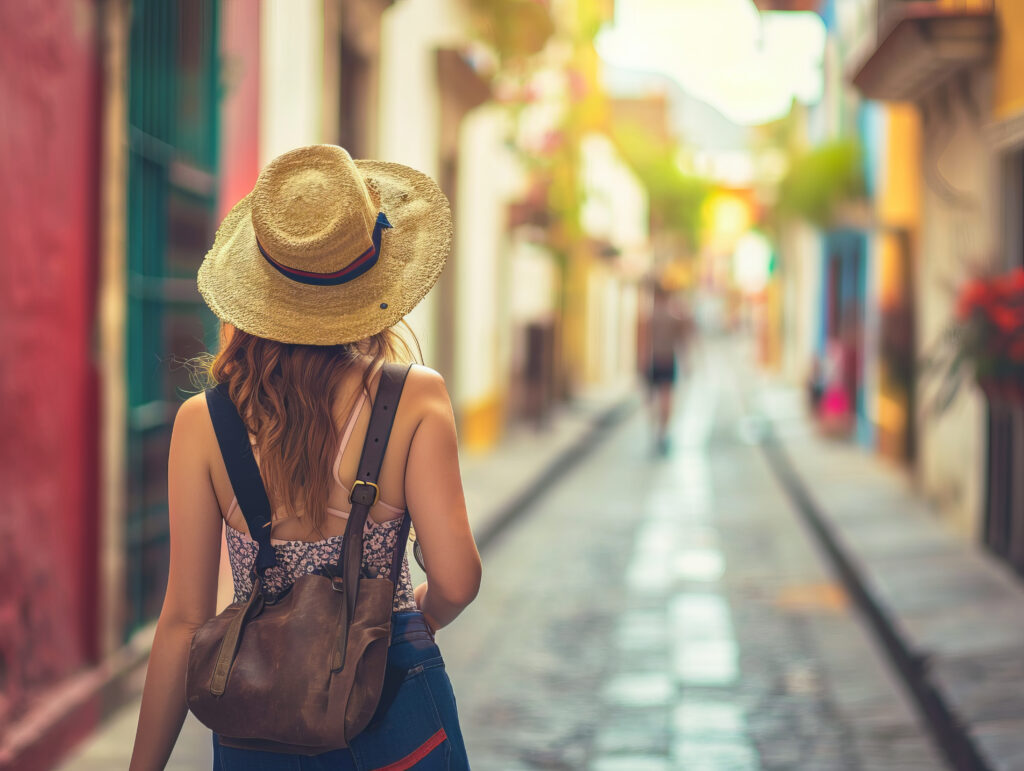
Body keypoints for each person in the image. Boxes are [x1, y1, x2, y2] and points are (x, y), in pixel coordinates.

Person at [129, 145, 482, 770]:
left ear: (258, 288)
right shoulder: (414, 398)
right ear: (372, 280)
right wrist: (412, 621)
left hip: (256, 718)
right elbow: (457, 581)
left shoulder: (203, 423)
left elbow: (183, 621)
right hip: (395, 704)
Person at [643, 280, 693, 455]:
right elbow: (683, 340)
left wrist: (641, 362)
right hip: (668, 359)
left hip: (652, 359)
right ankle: (663, 432)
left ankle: (655, 430)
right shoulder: (675, 316)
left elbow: (643, 342)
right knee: (666, 397)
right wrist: (686, 363)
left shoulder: (649, 316)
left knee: (652, 399)